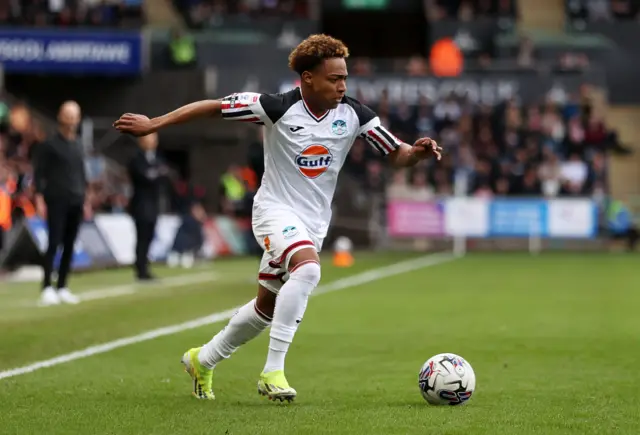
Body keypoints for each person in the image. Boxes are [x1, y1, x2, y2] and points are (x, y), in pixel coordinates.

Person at [114, 34, 442, 402]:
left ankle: (202, 359)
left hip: (313, 223)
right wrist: (154, 123)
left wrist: (417, 152)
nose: (342, 85)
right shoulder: (276, 107)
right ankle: (273, 372)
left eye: (344, 78)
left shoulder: (354, 114)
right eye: (334, 78)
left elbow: (395, 152)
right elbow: (212, 106)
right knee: (308, 270)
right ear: (307, 79)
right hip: (274, 212)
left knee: (264, 309)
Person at [32, 101, 86, 306]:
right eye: (68, 115)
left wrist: (85, 197)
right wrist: (39, 198)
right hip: (56, 199)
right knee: (54, 242)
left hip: (76, 199)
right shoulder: (49, 145)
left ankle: (62, 285)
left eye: (75, 116)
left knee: (70, 244)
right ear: (60, 117)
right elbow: (38, 174)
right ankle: (47, 285)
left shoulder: (79, 144)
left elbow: (81, 173)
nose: (71, 120)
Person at [128, 133, 167, 281]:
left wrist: (155, 175)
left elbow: (163, 175)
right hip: (141, 204)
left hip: (153, 203)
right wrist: (155, 174)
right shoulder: (136, 158)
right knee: (142, 236)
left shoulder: (158, 158)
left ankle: (145, 266)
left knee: (150, 236)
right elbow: (144, 176)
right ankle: (140, 269)